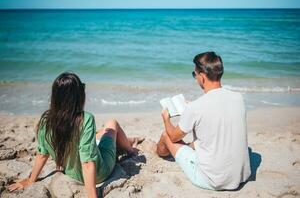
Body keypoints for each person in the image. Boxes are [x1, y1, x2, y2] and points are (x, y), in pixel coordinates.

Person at [8, 72, 143, 198]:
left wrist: (30, 181)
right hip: (100, 173)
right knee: (112, 124)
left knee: (98, 134)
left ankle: (128, 141)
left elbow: (42, 155)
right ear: (78, 97)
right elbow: (88, 163)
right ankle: (130, 149)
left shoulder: (46, 120)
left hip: (71, 172)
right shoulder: (86, 119)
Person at [157, 52, 251, 190]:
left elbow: (173, 136)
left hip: (213, 180)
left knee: (166, 136)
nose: (195, 79)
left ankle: (159, 152)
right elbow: (217, 112)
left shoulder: (196, 107)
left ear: (202, 76)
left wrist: (166, 119)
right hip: (241, 175)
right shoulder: (239, 98)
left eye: (195, 75)